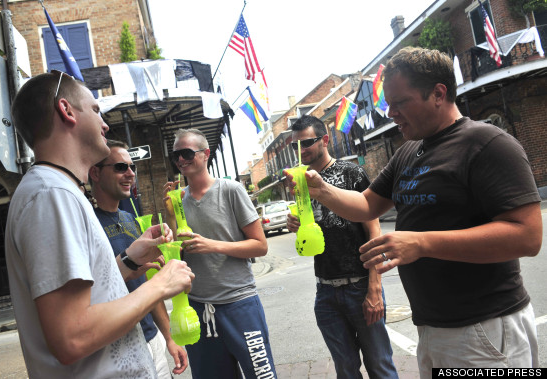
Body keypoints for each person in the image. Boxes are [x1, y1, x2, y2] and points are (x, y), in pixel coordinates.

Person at [286, 47, 542, 376]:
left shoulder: (487, 143)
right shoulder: (409, 151)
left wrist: (421, 243)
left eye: (400, 102)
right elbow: (366, 204)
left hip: (486, 327)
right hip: (434, 327)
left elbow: (528, 235)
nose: (390, 113)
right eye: (388, 104)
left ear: (438, 93)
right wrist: (320, 189)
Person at [6, 71, 194, 378]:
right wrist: (161, 284)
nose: (105, 124)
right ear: (66, 111)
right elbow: (72, 336)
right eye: (95, 110)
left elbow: (86, 297)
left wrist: (129, 260)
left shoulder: (59, 190)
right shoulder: (51, 195)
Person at [286, 115, 398, 378]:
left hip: (360, 285)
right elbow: (314, 230)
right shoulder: (299, 181)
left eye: (307, 143)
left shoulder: (352, 173)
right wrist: (298, 224)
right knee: (345, 370)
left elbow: (374, 229)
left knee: (380, 365)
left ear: (325, 140)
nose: (301, 150)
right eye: (296, 146)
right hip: (325, 290)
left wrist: (375, 287)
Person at [163, 128, 276, 379]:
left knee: (262, 376)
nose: (181, 160)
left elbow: (260, 245)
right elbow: (177, 256)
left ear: (205, 154)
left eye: (187, 153)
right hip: (199, 308)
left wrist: (212, 245)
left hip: (240, 303)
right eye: (176, 155)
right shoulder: (178, 202)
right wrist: (171, 217)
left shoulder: (230, 190)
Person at [89, 140, 188, 377]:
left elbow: (147, 285)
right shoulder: (88, 224)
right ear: (95, 173)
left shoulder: (130, 220)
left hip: (152, 338)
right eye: (121, 167)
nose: (130, 173)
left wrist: (169, 338)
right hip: (119, 345)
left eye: (132, 167)